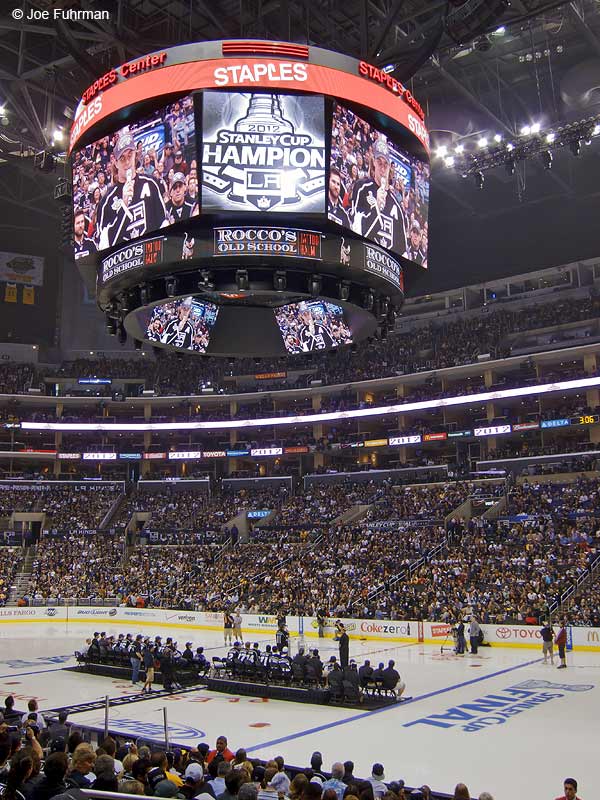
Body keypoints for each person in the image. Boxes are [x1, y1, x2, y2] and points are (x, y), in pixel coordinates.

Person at [95, 132, 169, 250]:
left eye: (130, 155)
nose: (127, 162)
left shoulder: (151, 184)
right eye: (122, 158)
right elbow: (104, 247)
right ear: (115, 161)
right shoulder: (106, 202)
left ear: (135, 154)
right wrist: (124, 205)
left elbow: (163, 223)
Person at [350, 136, 407, 254]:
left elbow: (402, 251)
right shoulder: (361, 187)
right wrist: (376, 207)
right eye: (379, 162)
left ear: (390, 167)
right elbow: (355, 228)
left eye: (385, 164)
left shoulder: (397, 206)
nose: (382, 168)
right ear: (373, 162)